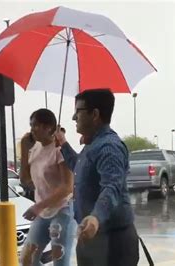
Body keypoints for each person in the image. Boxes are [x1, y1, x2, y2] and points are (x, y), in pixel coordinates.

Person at [55, 89, 139, 266]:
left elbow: (112, 186)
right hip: (92, 237)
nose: (73, 117)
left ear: (94, 114)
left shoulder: (109, 147)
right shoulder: (93, 144)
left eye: (78, 111)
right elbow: (79, 167)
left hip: (112, 243)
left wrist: (95, 217)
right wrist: (63, 143)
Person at [19, 108, 75, 266]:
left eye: (36, 125)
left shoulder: (60, 150)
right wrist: (24, 149)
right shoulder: (35, 148)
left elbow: (67, 187)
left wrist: (38, 206)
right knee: (26, 259)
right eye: (31, 125)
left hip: (62, 209)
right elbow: (25, 179)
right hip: (42, 212)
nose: (32, 130)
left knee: (60, 260)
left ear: (49, 127)